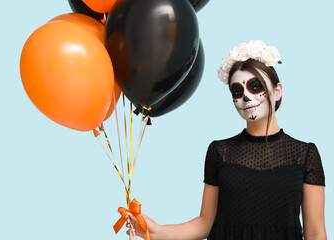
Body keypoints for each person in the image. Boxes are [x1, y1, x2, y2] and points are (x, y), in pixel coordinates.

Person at [124, 40, 327, 240]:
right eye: (237, 91)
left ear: (277, 91)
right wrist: (155, 231)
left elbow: (316, 233)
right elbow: (205, 222)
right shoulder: (219, 151)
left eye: (255, 87)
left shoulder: (305, 154)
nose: (246, 97)